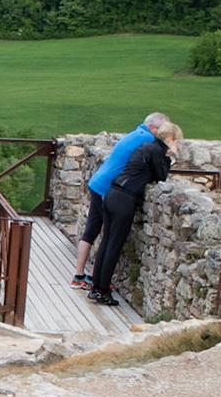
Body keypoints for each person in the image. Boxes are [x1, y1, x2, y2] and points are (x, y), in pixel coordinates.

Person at [88, 119, 182, 307]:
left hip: (112, 193)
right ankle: (104, 290)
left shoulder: (146, 147)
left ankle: (96, 286)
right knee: (114, 245)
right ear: (171, 139)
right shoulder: (157, 151)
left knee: (106, 241)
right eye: (178, 141)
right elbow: (161, 176)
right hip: (125, 199)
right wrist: (171, 157)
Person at [72, 113, 170, 289]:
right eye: (162, 129)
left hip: (98, 180)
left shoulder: (136, 133)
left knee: (90, 231)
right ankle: (96, 280)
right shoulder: (148, 139)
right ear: (153, 127)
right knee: (108, 234)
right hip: (108, 187)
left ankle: (78, 276)